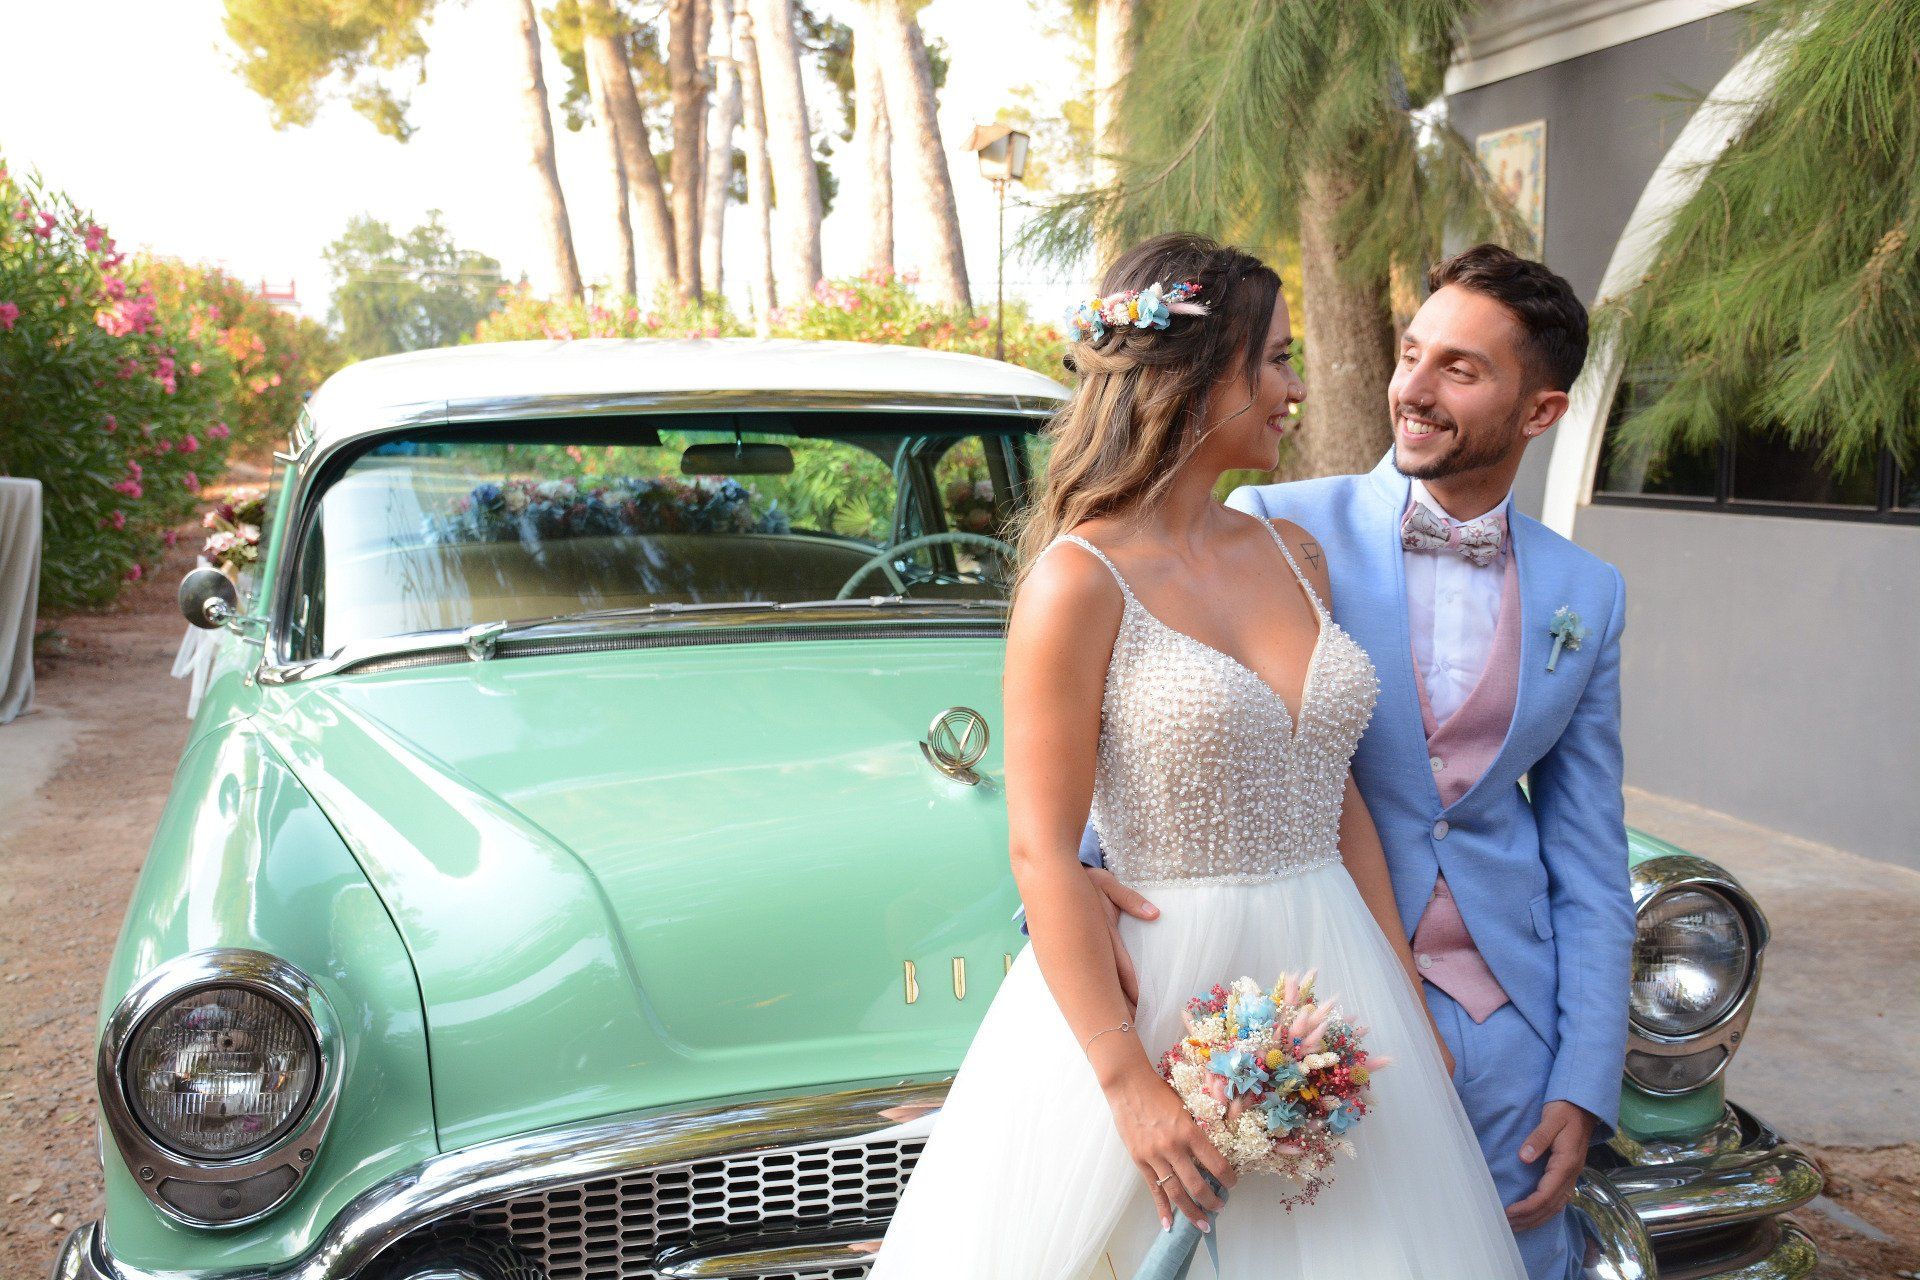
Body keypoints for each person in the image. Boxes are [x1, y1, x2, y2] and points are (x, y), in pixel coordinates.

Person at [868, 233, 1528, 1279]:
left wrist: (1400, 991)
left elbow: (1337, 786)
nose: (1295, 386)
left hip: (1336, 973)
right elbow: (1040, 847)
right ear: (1194, 374)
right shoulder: (1075, 582)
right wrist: (1127, 1081)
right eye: (1273, 357)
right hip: (1161, 992)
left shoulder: (1289, 551)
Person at [1077, 243, 1636, 1280]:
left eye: (1460, 371)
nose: (1411, 391)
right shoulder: (1273, 524)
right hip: (1291, 1002)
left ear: (1541, 413)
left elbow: (1592, 853)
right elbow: (1161, 728)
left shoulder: (1585, 592)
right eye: (1412, 353)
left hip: (1506, 1019)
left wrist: (1584, 1075)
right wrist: (1071, 880)